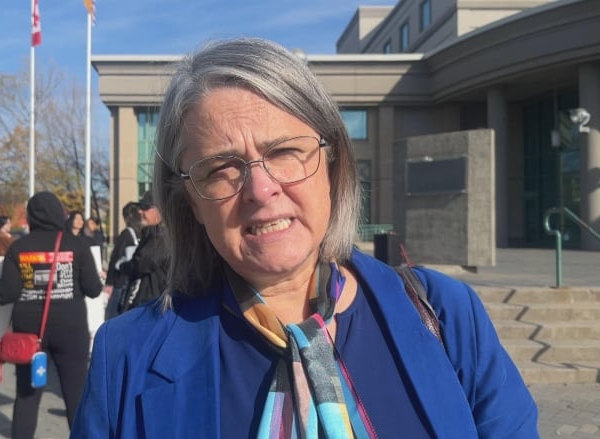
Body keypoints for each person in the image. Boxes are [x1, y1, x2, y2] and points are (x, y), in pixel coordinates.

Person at [71, 38, 537, 438]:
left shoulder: (449, 316)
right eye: (221, 169)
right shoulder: (126, 356)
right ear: (190, 201)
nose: (260, 189)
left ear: (332, 170)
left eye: (285, 153)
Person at [0, 191, 103, 439]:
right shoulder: (77, 245)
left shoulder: (19, 247)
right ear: (59, 214)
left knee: (27, 397)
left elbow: (7, 293)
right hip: (71, 330)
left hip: (30, 332)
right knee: (76, 396)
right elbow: (94, 290)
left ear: (30, 216)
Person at [116, 191, 168, 313]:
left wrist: (123, 266)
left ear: (159, 209)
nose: (140, 211)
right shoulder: (149, 234)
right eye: (140, 207)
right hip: (145, 304)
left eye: (145, 207)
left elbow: (142, 263)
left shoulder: (161, 236)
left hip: (153, 308)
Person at [103, 201, 142, 320]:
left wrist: (109, 282)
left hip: (121, 280)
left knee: (113, 315)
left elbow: (116, 257)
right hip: (137, 282)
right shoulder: (143, 233)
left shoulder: (127, 234)